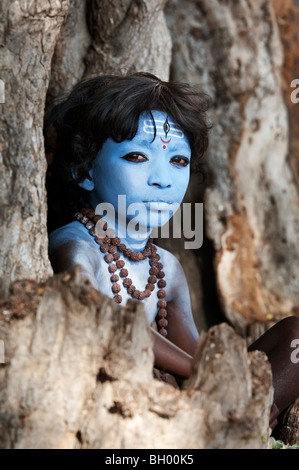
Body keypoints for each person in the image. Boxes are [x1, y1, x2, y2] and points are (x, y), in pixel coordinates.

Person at [45, 72, 299, 432]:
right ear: (83, 170)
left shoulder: (165, 266)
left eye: (178, 161)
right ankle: (237, 418)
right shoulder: (76, 246)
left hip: (183, 394)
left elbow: (194, 352)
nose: (162, 179)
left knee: (295, 336)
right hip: (119, 404)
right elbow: (109, 324)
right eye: (136, 156)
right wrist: (217, 381)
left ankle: (245, 418)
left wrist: (234, 386)